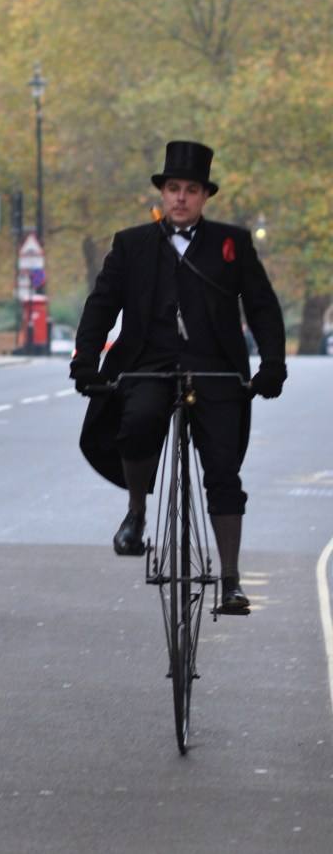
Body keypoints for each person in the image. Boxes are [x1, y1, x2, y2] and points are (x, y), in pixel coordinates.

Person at [69, 140, 287, 612]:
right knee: (139, 420)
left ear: (205, 197)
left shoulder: (233, 243)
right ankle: (136, 513)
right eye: (173, 188)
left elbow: (264, 307)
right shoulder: (132, 244)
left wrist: (272, 364)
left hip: (216, 370)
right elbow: (101, 305)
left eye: (191, 190)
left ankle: (230, 580)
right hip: (148, 363)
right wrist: (85, 359)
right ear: (162, 194)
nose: (181, 198)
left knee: (224, 472)